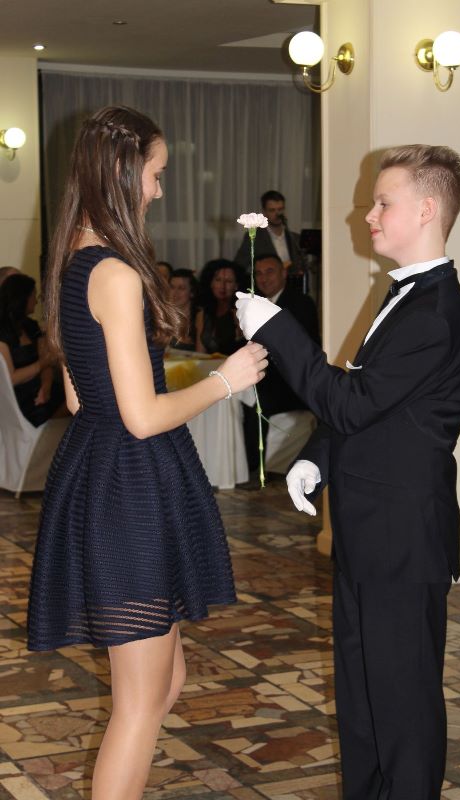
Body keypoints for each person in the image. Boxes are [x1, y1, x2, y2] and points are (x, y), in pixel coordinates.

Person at [26, 105, 267, 800]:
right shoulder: (116, 274)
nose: (160, 190)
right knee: (138, 702)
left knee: (165, 682)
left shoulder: (72, 260)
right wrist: (226, 380)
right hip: (128, 488)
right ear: (124, 173)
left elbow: (80, 400)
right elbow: (139, 416)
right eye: (157, 175)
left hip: (104, 476)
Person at [236, 145, 460, 800]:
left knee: (402, 709)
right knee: (364, 701)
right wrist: (317, 457)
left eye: (382, 203)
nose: (367, 215)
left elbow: (351, 400)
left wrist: (279, 330)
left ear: (425, 209)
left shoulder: (434, 313)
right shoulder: (404, 297)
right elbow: (369, 404)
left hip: (402, 539)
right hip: (370, 533)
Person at [243, 254, 320, 473]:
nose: (264, 278)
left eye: (270, 272)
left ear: (283, 273)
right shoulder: (256, 303)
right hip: (268, 377)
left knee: (255, 404)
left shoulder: (301, 303)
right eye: (259, 274)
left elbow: (296, 349)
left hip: (292, 383)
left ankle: (254, 469)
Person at [0, 273, 66, 426]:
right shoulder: (2, 332)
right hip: (18, 397)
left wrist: (46, 385)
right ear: (22, 298)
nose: (36, 301)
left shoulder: (31, 325)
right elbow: (10, 378)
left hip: (40, 387)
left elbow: (47, 363)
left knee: (77, 398)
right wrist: (41, 364)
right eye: (33, 295)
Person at [234, 190, 304, 275]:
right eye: (272, 210)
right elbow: (239, 266)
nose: (277, 214)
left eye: (280, 209)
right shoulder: (254, 237)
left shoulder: (294, 238)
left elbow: (302, 265)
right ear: (264, 212)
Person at [195, 259, 245, 355]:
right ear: (211, 283)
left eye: (229, 281)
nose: (222, 286)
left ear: (236, 285)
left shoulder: (241, 311)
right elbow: (200, 353)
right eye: (218, 280)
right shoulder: (203, 313)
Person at [168, 268, 199, 351]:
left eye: (181, 288)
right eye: (172, 287)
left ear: (192, 292)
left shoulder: (200, 318)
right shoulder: (163, 316)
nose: (175, 293)